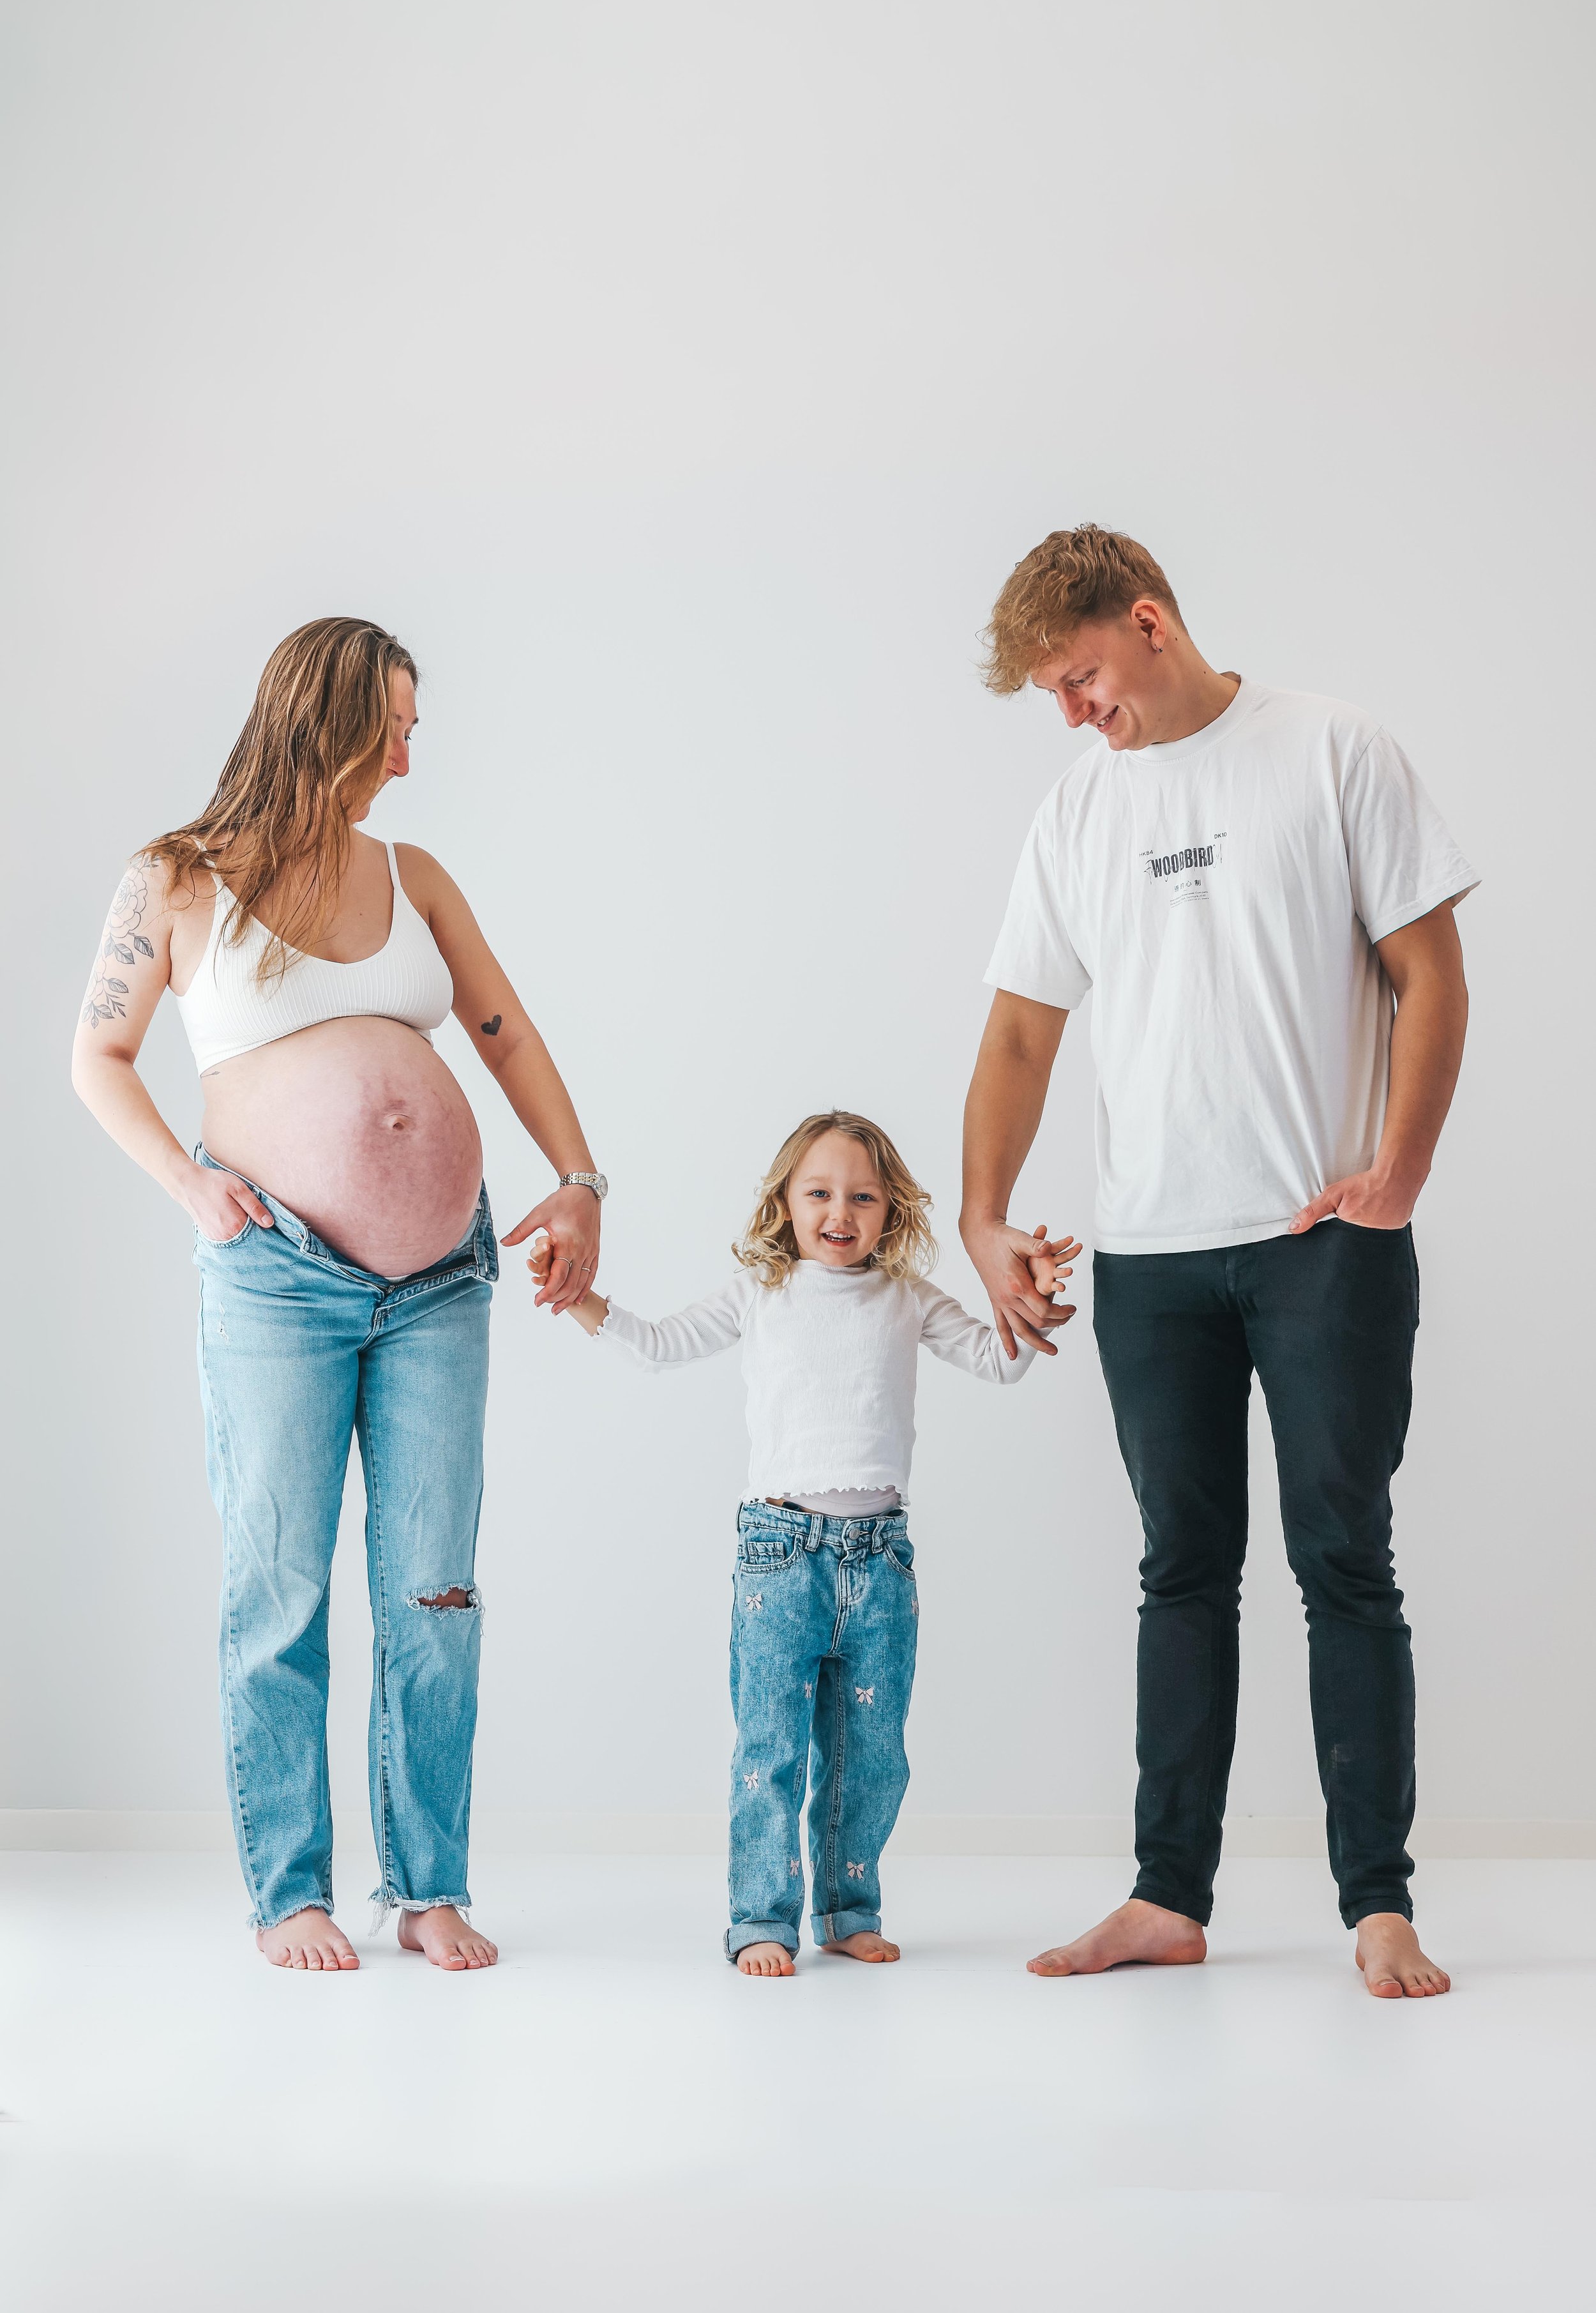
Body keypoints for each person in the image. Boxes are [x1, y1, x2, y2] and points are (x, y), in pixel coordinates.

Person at [960, 526, 1477, 1999]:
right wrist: (983, 1213)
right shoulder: (1074, 810)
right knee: (1179, 1572)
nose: (1072, 713)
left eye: (1079, 678)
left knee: (1342, 1564)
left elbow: (1427, 969)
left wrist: (1400, 1172)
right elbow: (1015, 1030)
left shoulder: (1328, 750)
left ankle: (1375, 1902)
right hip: (1148, 1256)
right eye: (1051, 695)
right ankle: (1163, 1893)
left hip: (1325, 1242)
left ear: (1146, 622)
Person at [72, 617, 606, 1972]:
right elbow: (100, 1057)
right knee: (280, 1588)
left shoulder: (414, 875)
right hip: (274, 1276)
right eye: (398, 727)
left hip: (442, 1278)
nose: (410, 758)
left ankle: (426, 1884)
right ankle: (290, 1889)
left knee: (434, 1589)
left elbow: (504, 1029)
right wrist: (192, 1188)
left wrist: (579, 1177)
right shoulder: (176, 878)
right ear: (331, 716)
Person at [534, 1111, 1078, 1974]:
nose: (841, 1210)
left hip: (881, 1558)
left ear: (891, 1212)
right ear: (783, 1203)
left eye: (863, 1196)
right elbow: (663, 1346)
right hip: (779, 1555)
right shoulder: (761, 1291)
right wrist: (578, 1299)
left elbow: (1001, 1361)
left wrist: (1034, 1301)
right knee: (770, 1751)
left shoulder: (906, 1299)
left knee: (873, 1757)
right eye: (819, 1192)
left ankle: (847, 1909)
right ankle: (760, 1919)